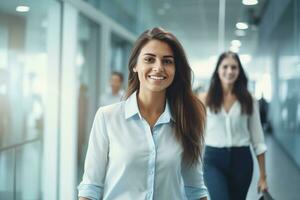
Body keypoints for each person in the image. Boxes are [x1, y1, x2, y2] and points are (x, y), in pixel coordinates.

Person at [78, 27, 208, 200]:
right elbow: (91, 187)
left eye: (167, 61)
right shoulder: (107, 117)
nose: (158, 67)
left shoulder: (186, 120)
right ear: (134, 66)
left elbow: (195, 189)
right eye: (149, 59)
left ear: (176, 69)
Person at [198, 51, 268, 200]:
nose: (229, 71)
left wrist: (263, 176)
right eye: (225, 67)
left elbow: (258, 140)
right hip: (213, 160)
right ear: (218, 70)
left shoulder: (249, 100)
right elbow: (197, 135)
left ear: (239, 71)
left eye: (234, 67)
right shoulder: (205, 99)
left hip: (241, 160)